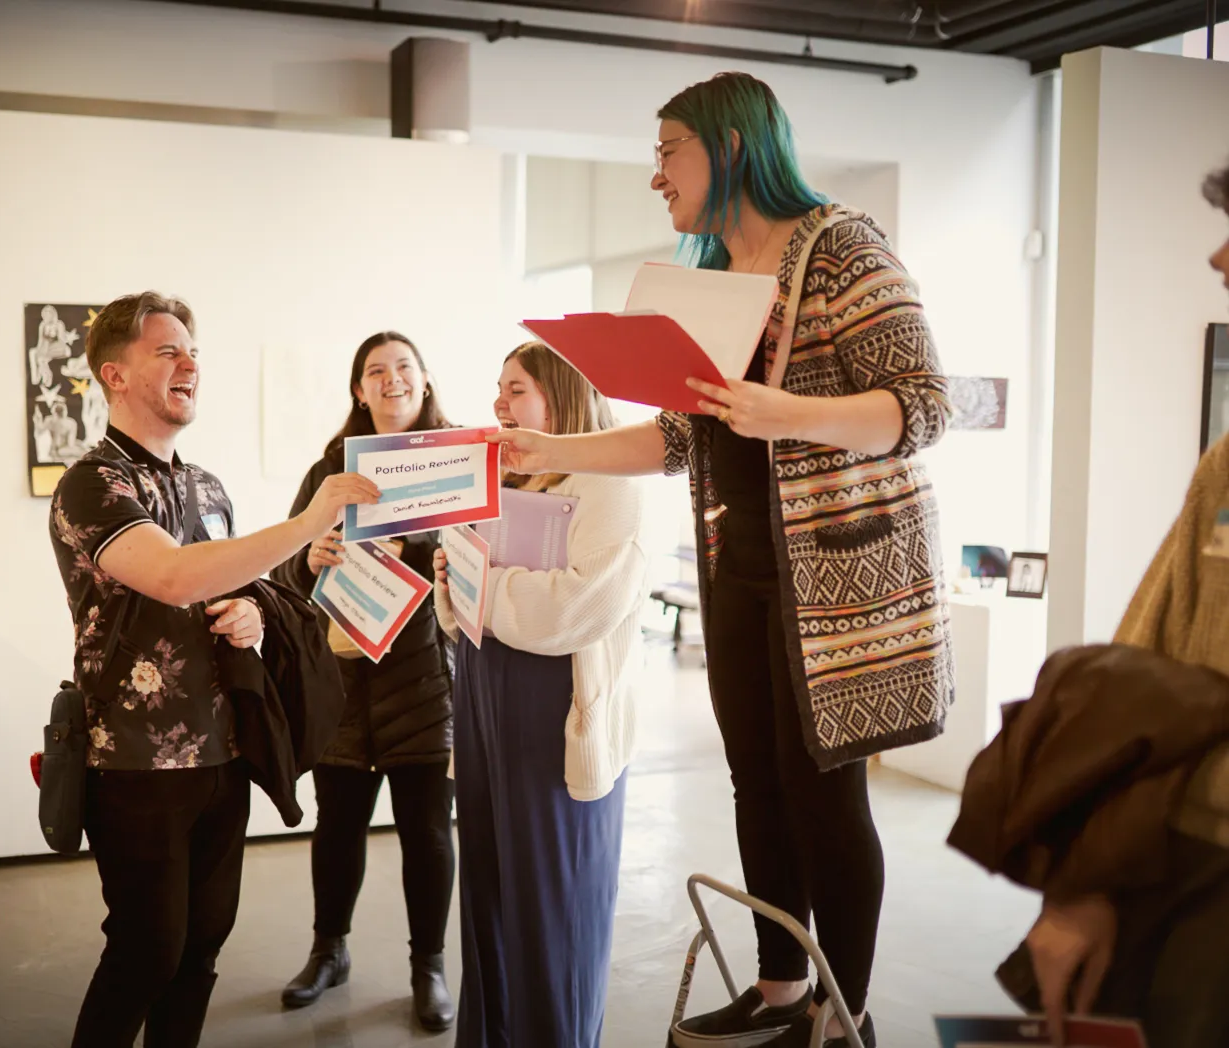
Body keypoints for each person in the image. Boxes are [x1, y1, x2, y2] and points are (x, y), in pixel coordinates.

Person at [491, 72, 953, 1048]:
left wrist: (792, 414)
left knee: (828, 794)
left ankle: (846, 1015)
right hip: (736, 572)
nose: (654, 174)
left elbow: (922, 405)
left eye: (670, 151)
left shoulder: (842, 249)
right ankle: (783, 993)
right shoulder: (702, 277)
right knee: (758, 781)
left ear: (732, 146)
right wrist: (551, 451)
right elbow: (676, 440)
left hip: (834, 586)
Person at [48, 292, 380, 1048]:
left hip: (221, 756)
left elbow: (229, 587)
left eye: (193, 351)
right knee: (145, 952)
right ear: (115, 374)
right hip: (134, 763)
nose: (190, 363)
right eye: (167, 351)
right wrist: (304, 524)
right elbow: (171, 576)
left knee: (199, 953)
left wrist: (254, 619)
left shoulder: (206, 488)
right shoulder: (93, 485)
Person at [977, 159, 1229, 1048]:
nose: (1219, 259)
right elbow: (1151, 671)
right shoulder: (1228, 464)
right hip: (1197, 868)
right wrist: (1090, 878)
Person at [432, 342, 646, 1048]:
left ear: (563, 399)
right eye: (499, 388)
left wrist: (482, 583)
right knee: (490, 899)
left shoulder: (611, 487)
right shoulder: (503, 481)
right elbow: (461, 598)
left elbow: (578, 608)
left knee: (553, 911)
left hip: (557, 712)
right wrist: (453, 572)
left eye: (516, 389)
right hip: (486, 696)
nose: (499, 403)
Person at [270, 332, 458, 1031]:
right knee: (338, 823)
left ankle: (428, 967)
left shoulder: (453, 463)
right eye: (375, 371)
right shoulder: (331, 467)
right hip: (343, 677)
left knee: (427, 830)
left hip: (422, 677)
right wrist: (311, 557)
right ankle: (329, 952)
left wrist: (421, 543)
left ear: (425, 378)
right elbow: (285, 564)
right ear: (358, 388)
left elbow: (479, 551)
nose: (391, 380)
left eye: (403, 367)